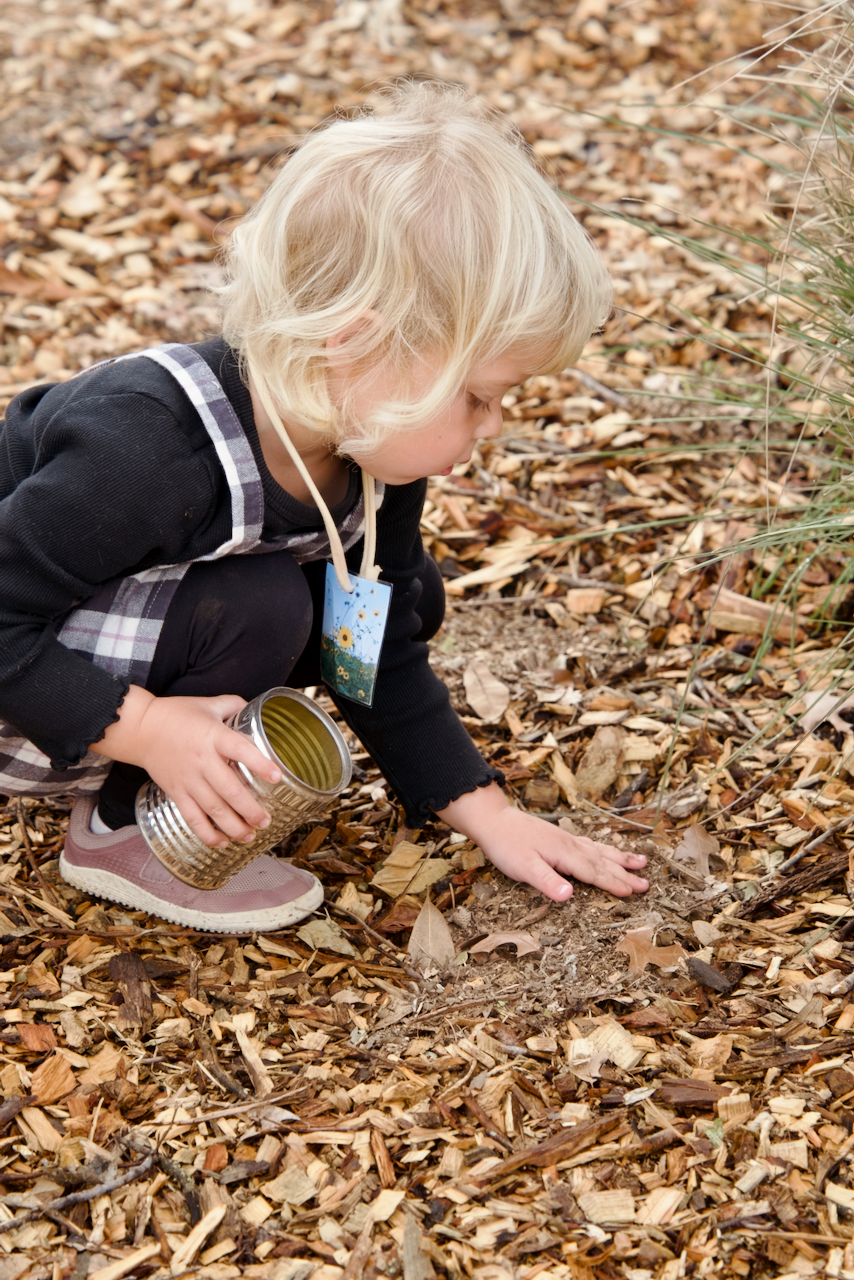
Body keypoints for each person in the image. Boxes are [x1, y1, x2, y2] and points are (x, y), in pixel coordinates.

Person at [0, 81, 648, 933]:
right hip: (24, 674)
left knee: (382, 604)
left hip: (84, 668)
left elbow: (368, 650)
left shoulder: (372, 446)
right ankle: (126, 826)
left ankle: (150, 782)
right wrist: (146, 729)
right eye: (482, 397)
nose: (494, 426)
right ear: (357, 345)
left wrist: (486, 810)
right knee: (268, 601)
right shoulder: (148, 448)